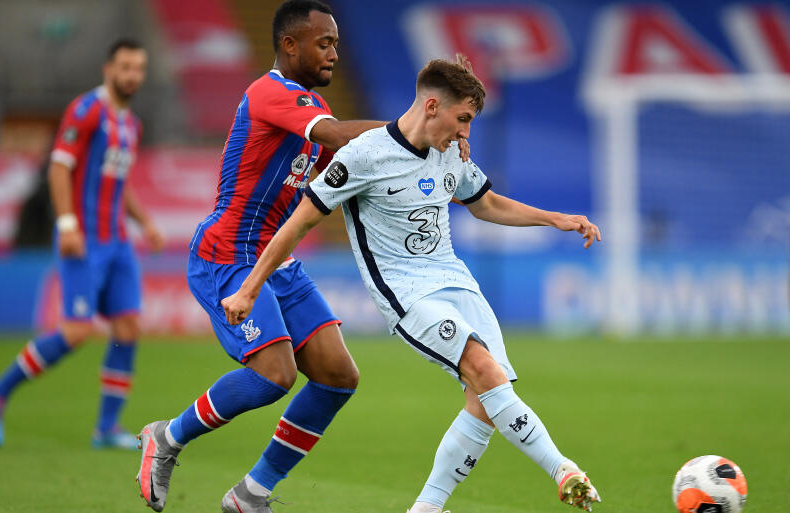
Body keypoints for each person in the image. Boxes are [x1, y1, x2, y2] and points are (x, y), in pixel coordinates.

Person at [221, 56, 604, 512]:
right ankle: (564, 471)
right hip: (407, 292)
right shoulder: (363, 156)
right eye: (463, 119)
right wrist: (249, 288)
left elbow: (485, 204)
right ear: (432, 106)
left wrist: (555, 219)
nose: (465, 133)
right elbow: (299, 222)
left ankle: (425, 509)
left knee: (486, 400)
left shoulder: (450, 152)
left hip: (457, 282)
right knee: (484, 370)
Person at [134, 2, 472, 512]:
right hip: (227, 255)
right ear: (290, 45)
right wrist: (418, 126)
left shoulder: (312, 106)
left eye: (336, 43)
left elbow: (359, 164)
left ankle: (251, 493)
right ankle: (167, 436)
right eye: (324, 43)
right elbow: (337, 136)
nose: (334, 53)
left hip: (278, 259)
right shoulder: (271, 93)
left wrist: (441, 151)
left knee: (338, 376)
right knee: (275, 374)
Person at [0, 38, 163, 450]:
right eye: (125, 67)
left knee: (128, 327)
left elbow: (119, 184)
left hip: (117, 241)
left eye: (139, 68)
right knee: (76, 331)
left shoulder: (132, 124)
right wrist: (67, 224)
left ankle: (107, 428)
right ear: (108, 69)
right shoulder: (87, 111)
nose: (132, 76)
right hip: (84, 239)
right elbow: (58, 167)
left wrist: (145, 223)